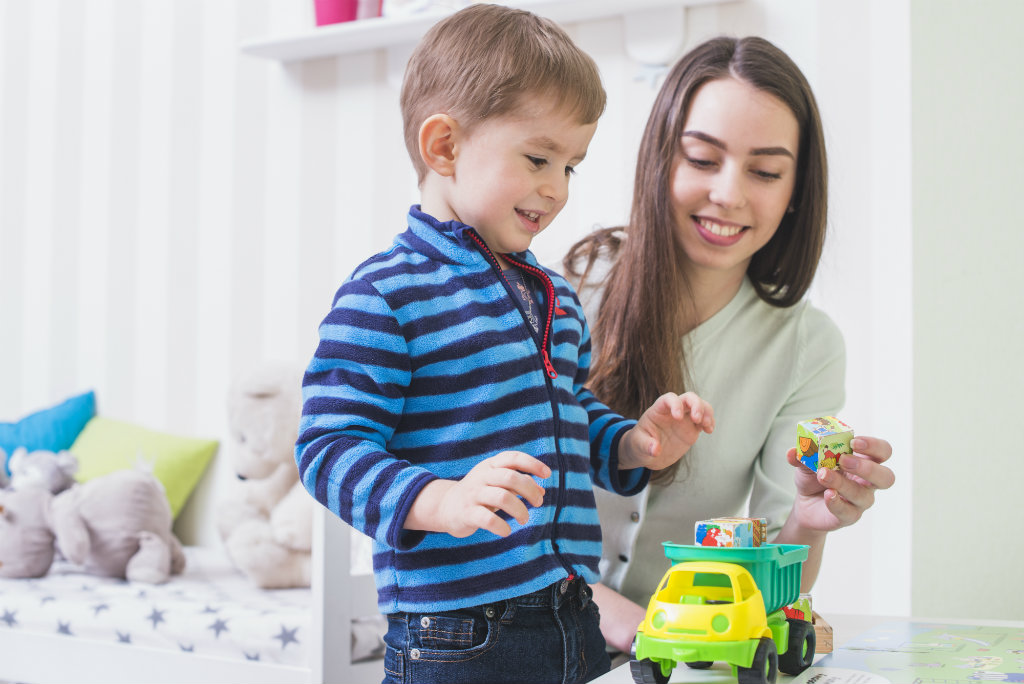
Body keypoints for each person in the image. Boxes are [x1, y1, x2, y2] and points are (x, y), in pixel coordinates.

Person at [294, 6, 715, 683]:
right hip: (456, 632)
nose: (557, 188)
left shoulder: (553, 296)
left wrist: (633, 445)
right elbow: (325, 449)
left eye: (571, 166)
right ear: (445, 148)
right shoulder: (385, 295)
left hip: (570, 611)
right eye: (538, 158)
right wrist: (441, 500)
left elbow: (568, 411)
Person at [562, 35, 897, 654]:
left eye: (765, 171)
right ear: (662, 157)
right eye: (702, 158)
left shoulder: (806, 344)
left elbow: (767, 576)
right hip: (540, 638)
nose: (729, 194)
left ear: (796, 190)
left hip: (676, 655)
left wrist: (809, 523)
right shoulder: (565, 295)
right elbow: (501, 509)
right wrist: (617, 618)